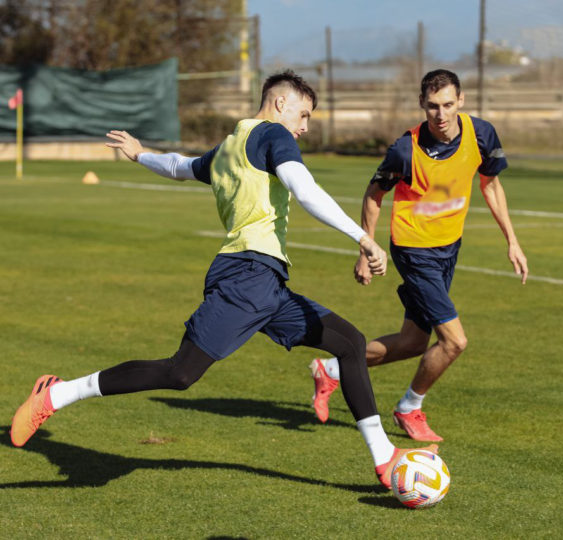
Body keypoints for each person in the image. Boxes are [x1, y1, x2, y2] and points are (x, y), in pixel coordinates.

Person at [10, 70, 436, 489]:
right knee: (180, 374)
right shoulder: (273, 135)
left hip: (266, 283)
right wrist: (363, 237)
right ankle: (57, 393)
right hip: (246, 277)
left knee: (350, 343)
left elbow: (180, 166)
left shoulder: (231, 146)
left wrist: (141, 154)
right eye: (303, 115)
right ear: (280, 102)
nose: (304, 127)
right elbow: (304, 191)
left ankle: (384, 460)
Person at [308, 69, 528, 441]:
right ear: (421, 105)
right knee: (454, 341)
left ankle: (331, 369)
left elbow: (490, 185)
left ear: (461, 100)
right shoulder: (405, 150)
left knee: (412, 343)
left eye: (446, 105)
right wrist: (366, 248)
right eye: (431, 107)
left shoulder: (482, 134)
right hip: (413, 250)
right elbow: (374, 194)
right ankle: (409, 408)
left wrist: (512, 240)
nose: (440, 115)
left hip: (448, 247)